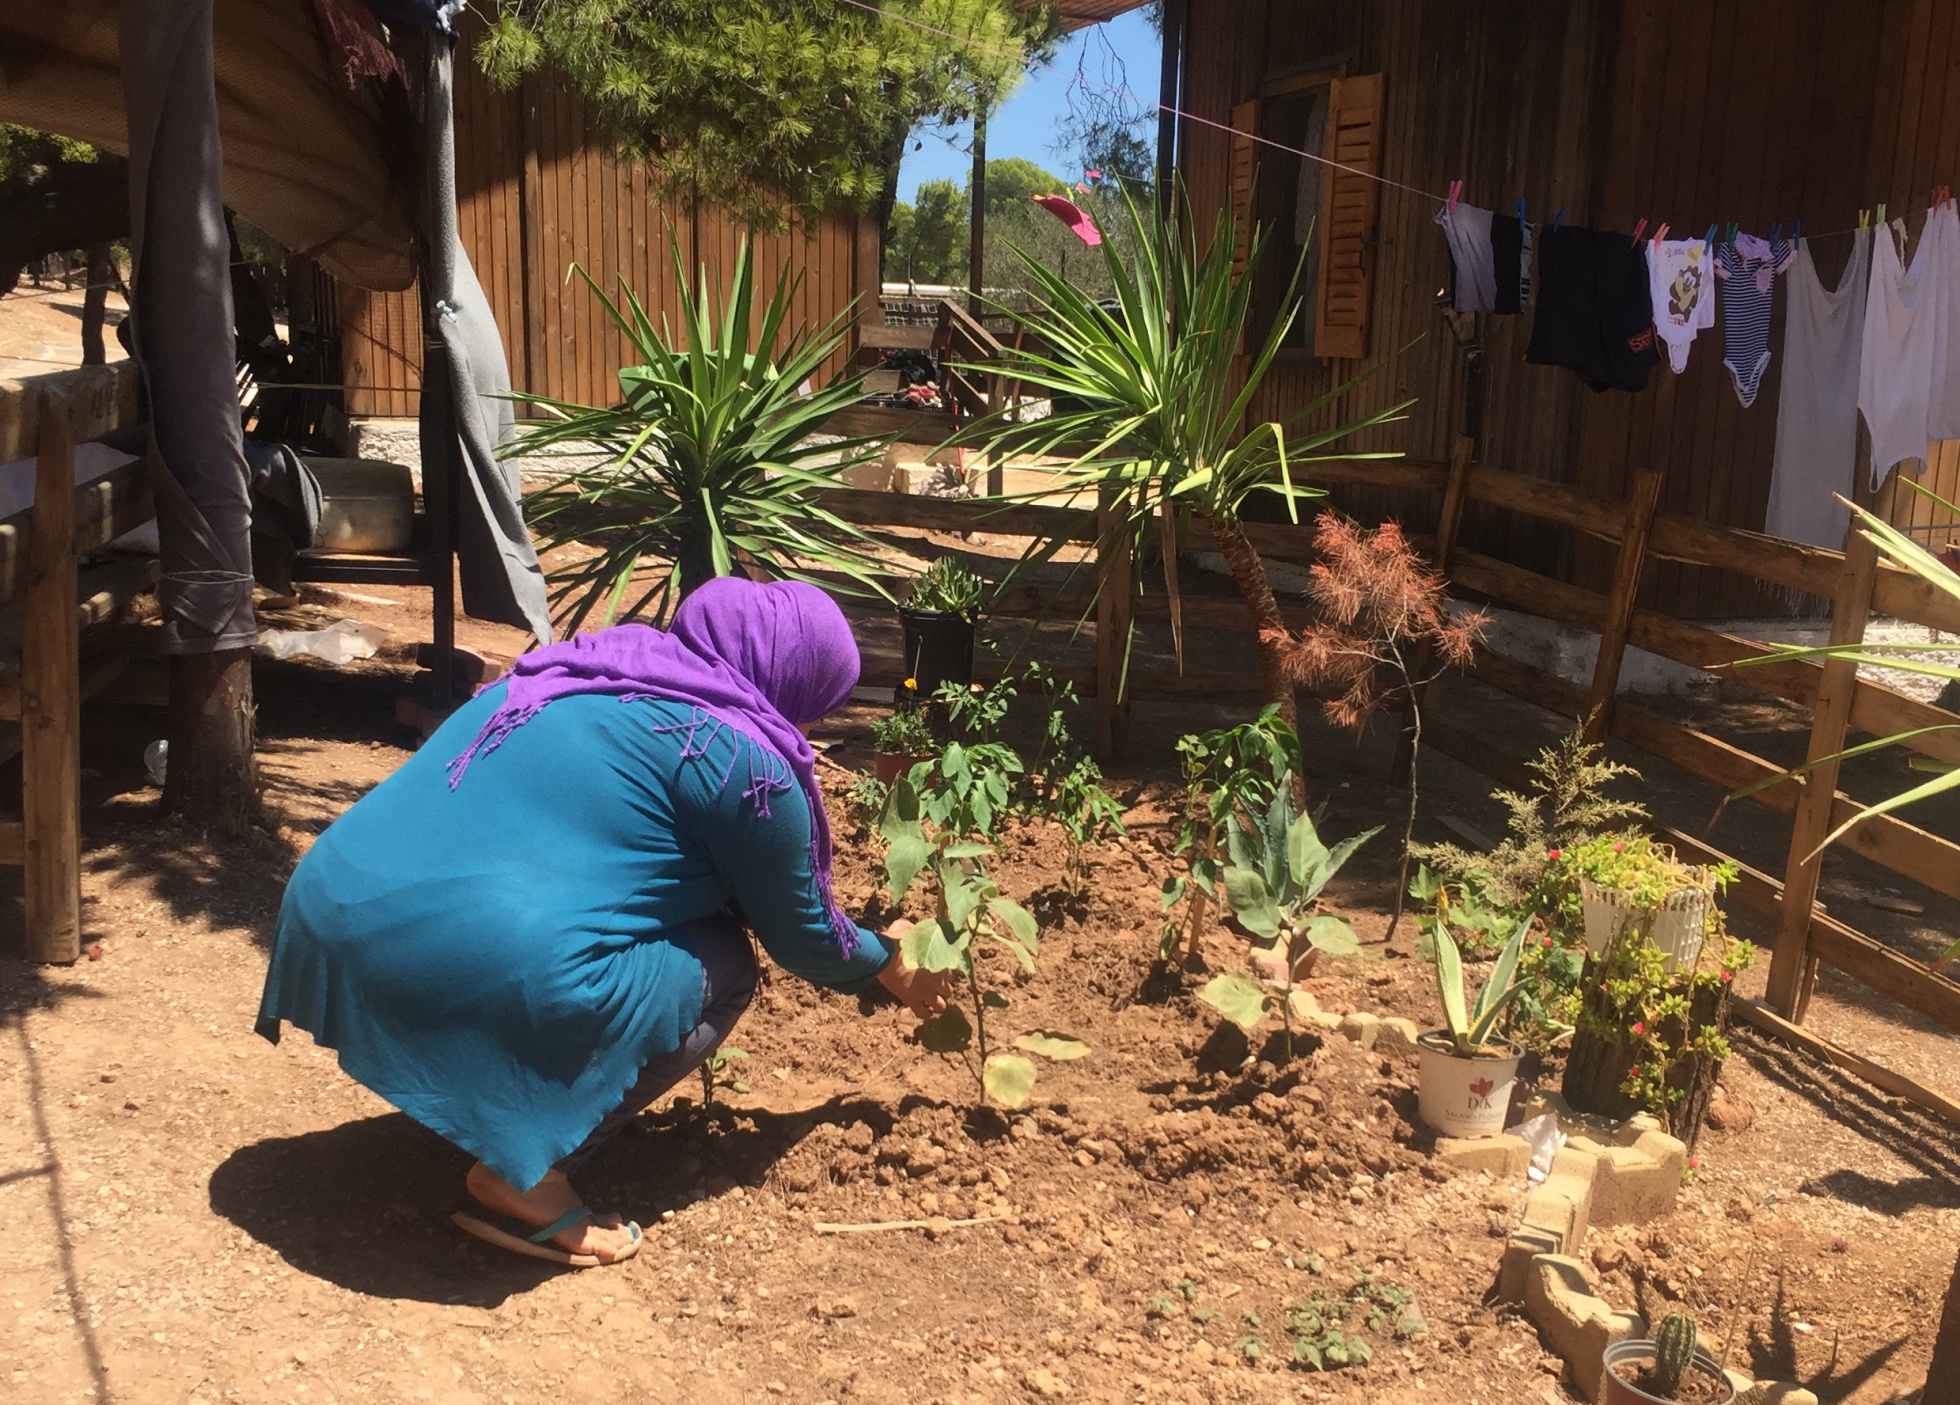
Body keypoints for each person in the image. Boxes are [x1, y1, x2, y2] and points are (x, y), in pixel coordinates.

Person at [255, 578, 952, 1267]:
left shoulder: (576, 668)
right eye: (818, 706)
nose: (810, 727)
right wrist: (889, 958)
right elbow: (806, 939)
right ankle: (521, 1177)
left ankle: (472, 1088)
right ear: (795, 680)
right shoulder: (744, 765)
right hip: (445, 963)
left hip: (325, 909)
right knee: (726, 964)